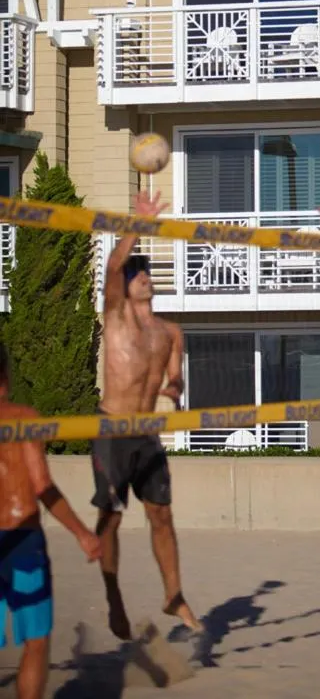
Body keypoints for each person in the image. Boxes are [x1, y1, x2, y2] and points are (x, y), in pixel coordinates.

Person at [91, 189, 201, 640]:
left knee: (162, 515)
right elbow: (115, 266)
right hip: (112, 428)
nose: (142, 277)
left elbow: (175, 379)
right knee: (111, 519)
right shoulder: (116, 317)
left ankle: (174, 594)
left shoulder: (170, 332)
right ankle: (113, 596)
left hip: (147, 432)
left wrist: (175, 390)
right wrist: (137, 225)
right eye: (137, 273)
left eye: (145, 272)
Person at [0, 341, 101, 699]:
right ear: (6, 377)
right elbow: (42, 486)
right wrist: (82, 533)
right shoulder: (23, 418)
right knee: (36, 643)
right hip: (22, 537)